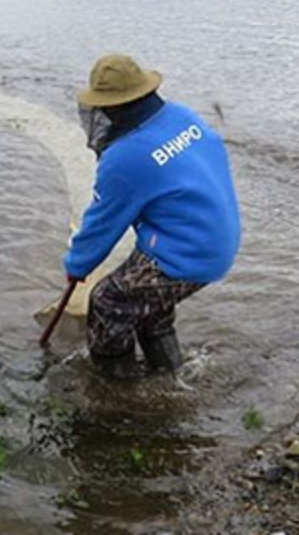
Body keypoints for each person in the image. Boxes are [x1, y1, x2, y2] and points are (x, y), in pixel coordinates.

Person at [65, 54, 241, 377]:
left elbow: (101, 225)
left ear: (110, 107)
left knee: (109, 301)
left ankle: (117, 394)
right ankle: (170, 375)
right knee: (146, 303)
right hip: (218, 236)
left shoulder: (125, 157)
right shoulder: (181, 117)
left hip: (187, 254)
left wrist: (77, 267)